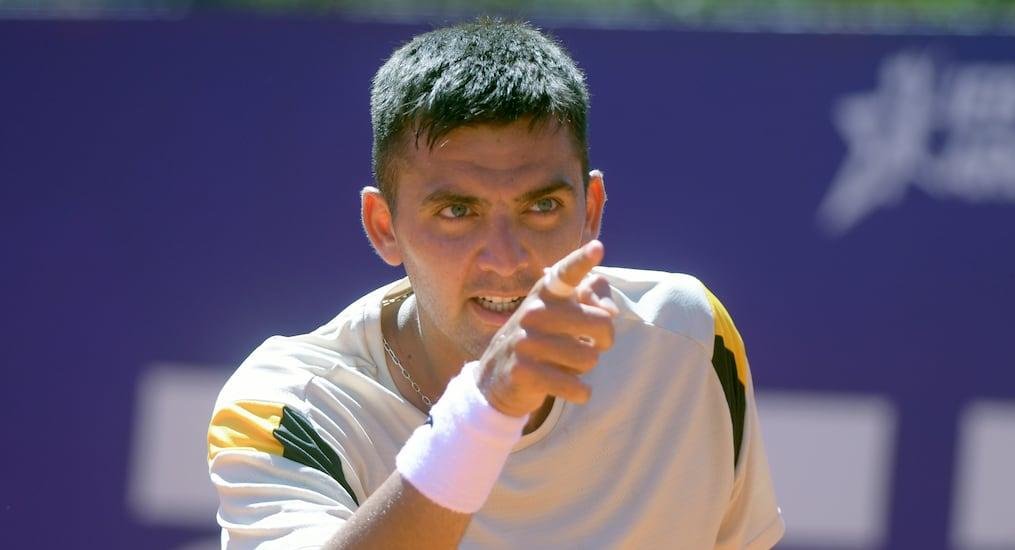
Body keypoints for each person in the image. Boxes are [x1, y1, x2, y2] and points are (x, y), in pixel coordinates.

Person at [207, 18, 784, 549]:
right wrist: (486, 408)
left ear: (592, 211)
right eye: (458, 212)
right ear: (384, 227)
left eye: (542, 207)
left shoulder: (686, 338)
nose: (507, 260)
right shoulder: (290, 406)